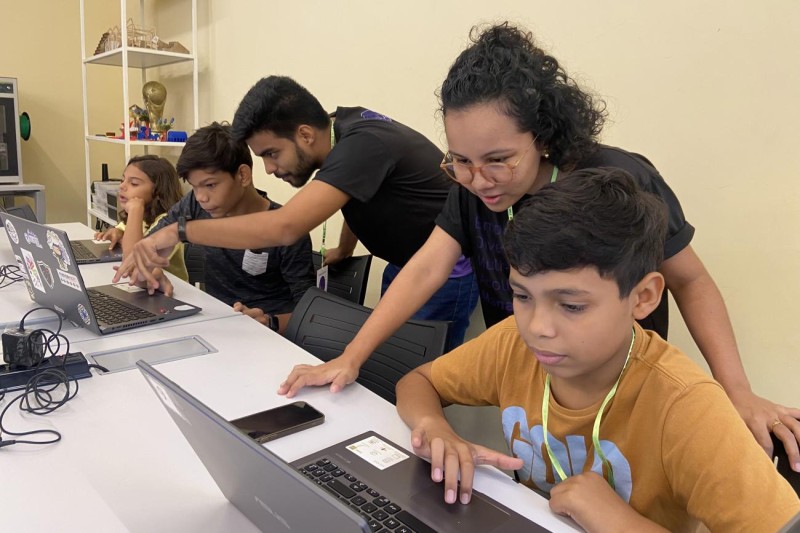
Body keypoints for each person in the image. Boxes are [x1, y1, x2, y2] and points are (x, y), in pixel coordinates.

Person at [276, 22, 800, 467]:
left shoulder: (616, 180)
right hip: (534, 387)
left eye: (499, 159)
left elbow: (691, 279)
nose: (479, 180)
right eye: (460, 160)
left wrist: (737, 392)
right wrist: (351, 357)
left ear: (544, 136)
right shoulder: (472, 190)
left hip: (617, 389)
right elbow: (424, 269)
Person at [396, 168, 800, 532]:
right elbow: (419, 381)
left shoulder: (685, 407)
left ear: (643, 298)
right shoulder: (512, 345)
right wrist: (434, 428)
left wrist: (621, 523)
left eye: (571, 305)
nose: (538, 328)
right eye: (522, 295)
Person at [113, 76, 478, 350]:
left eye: (272, 154)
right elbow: (358, 193)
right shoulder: (337, 132)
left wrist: (178, 231)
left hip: (445, 269)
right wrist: (345, 250)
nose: (269, 170)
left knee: (414, 372)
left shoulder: (364, 144)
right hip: (408, 263)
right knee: (390, 360)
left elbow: (284, 226)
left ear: (304, 134)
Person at [140, 122, 315, 333]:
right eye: (195, 187)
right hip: (215, 326)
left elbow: (310, 314)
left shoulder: (287, 230)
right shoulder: (195, 205)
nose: (202, 197)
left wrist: (271, 322)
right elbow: (146, 246)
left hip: (267, 338)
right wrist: (150, 272)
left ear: (243, 175)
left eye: (210, 185)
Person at [95, 155, 187, 281]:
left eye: (134, 183)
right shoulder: (144, 216)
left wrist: (135, 211)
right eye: (123, 180)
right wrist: (118, 232)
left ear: (158, 191)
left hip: (171, 292)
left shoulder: (168, 221)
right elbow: (123, 230)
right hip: (141, 286)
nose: (122, 186)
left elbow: (133, 261)